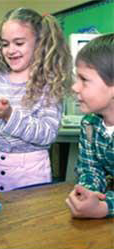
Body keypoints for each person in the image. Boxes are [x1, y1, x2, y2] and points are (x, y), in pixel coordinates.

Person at [0, 7, 73, 192]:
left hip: (30, 172)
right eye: (5, 44)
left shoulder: (48, 84)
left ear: (39, 43)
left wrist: (9, 115)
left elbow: (47, 134)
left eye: (19, 43)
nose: (10, 50)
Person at [66, 33, 114, 218]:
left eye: (84, 79)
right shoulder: (89, 124)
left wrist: (104, 207)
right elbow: (90, 170)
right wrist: (87, 193)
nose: (75, 87)